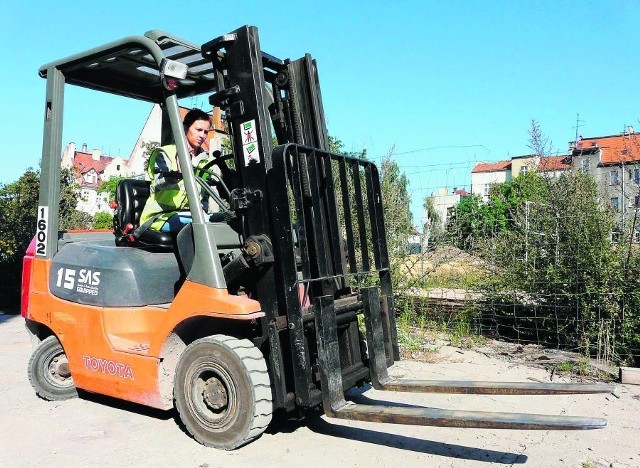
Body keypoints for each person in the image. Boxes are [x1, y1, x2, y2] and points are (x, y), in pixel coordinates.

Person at [139, 108, 212, 232]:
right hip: (160, 217)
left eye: (206, 132)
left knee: (223, 220)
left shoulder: (205, 161)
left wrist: (203, 209)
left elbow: (205, 195)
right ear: (185, 128)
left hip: (191, 215)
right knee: (204, 222)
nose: (202, 136)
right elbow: (160, 183)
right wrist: (177, 175)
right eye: (198, 130)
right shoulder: (165, 153)